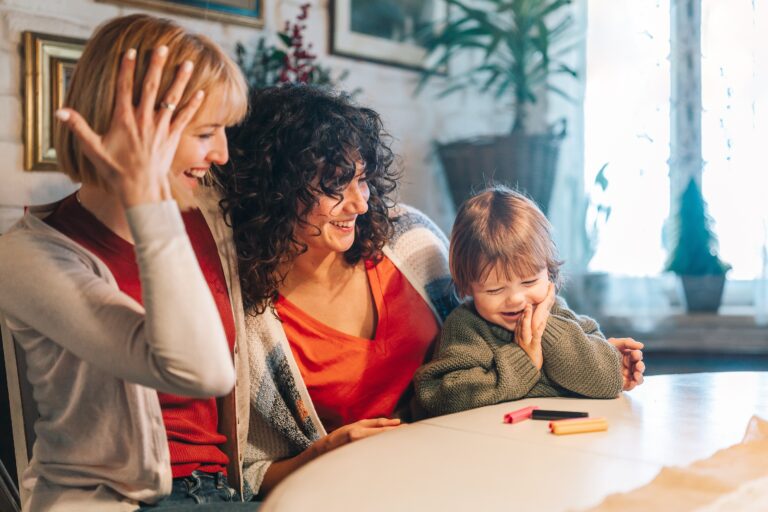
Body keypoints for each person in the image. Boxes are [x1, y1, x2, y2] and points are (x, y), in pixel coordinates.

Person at [215, 85, 645, 497]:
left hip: (473, 466)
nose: (360, 204)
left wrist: (588, 351)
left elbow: (499, 323)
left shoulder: (411, 239)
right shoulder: (248, 315)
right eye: (334, 186)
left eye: (361, 180)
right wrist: (322, 454)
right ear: (277, 191)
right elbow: (246, 470)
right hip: (358, 488)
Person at [0, 14, 257, 511]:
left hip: (220, 493)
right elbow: (205, 372)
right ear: (133, 125)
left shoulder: (208, 220)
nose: (222, 154)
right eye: (206, 133)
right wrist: (147, 200)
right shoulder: (26, 254)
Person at [413, 186, 644, 417]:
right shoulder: (466, 328)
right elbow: (439, 396)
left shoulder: (559, 315)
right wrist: (524, 362)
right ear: (467, 288)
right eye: (495, 289)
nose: (515, 299)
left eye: (529, 282)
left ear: (549, 273)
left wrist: (544, 326)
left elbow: (605, 381)